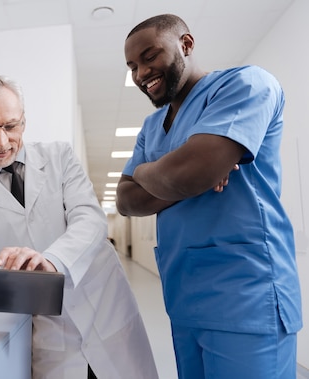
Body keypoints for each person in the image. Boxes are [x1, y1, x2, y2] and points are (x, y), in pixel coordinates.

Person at [0, 74, 158, 379]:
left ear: (23, 122)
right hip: (50, 333)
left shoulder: (60, 157)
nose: (1, 141)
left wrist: (51, 260)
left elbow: (90, 219)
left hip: (105, 310)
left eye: (10, 126)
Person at [117, 14, 302, 379]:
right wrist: (168, 176)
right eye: (133, 66)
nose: (141, 73)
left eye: (150, 56)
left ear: (185, 44)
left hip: (247, 297)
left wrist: (166, 175)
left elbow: (192, 173)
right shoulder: (153, 126)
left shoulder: (246, 84)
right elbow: (125, 200)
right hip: (184, 299)